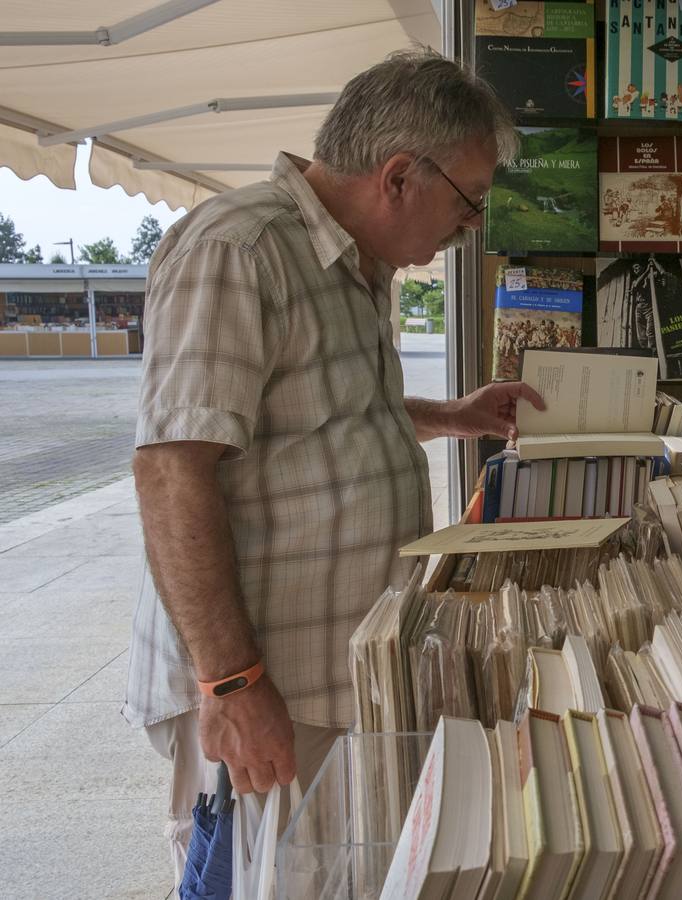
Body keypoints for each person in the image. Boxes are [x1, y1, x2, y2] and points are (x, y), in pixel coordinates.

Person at [124, 48, 544, 886]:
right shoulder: (239, 250)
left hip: (330, 677)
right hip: (266, 684)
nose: (471, 226)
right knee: (253, 879)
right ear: (399, 177)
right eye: (468, 201)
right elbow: (172, 471)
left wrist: (451, 416)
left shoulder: (356, 263)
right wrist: (232, 685)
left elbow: (321, 417)